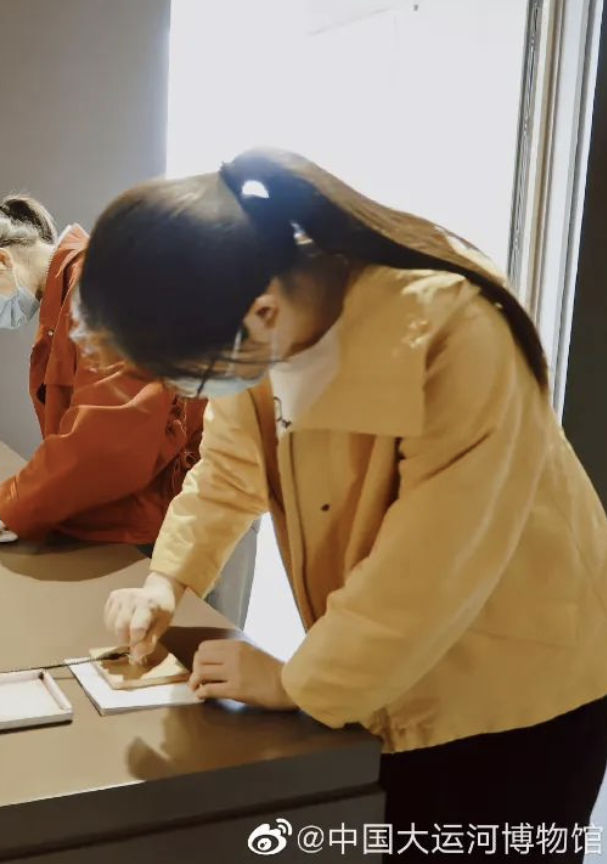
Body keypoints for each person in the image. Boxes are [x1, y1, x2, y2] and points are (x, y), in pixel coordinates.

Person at [80, 148, 607, 856]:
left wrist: (295, 683)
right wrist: (165, 582)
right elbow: (228, 472)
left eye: (194, 376)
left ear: (262, 313)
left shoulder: (454, 331)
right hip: (395, 667)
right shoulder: (261, 326)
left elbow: (430, 568)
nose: (201, 392)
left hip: (518, 682)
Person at [0, 195, 256, 624]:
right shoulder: (69, 295)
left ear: (2, 260)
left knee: (199, 648)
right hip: (158, 504)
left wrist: (5, 498)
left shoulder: (102, 288)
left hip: (197, 509)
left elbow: (108, 436)